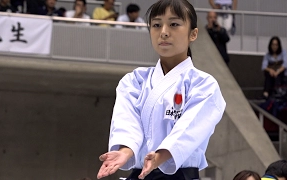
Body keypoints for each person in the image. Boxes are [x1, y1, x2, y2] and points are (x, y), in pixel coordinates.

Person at [96, 0, 226, 179]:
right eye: (156, 25)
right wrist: (126, 151)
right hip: (140, 173)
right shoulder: (134, 81)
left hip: (181, 175)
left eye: (174, 24)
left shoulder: (203, 84)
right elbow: (127, 123)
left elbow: (189, 129)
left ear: (193, 34)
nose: (163, 32)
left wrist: (161, 156)